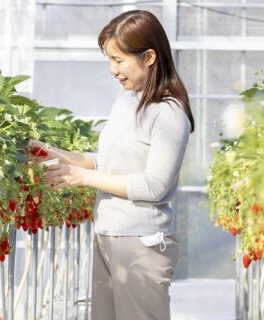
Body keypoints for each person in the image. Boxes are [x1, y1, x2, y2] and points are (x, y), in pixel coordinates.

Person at [29, 10, 195, 320]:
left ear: (149, 57)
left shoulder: (168, 113)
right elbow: (105, 161)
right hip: (108, 235)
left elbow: (154, 187)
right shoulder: (127, 100)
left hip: (140, 245)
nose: (112, 70)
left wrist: (83, 177)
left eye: (119, 60)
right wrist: (52, 152)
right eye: (109, 60)